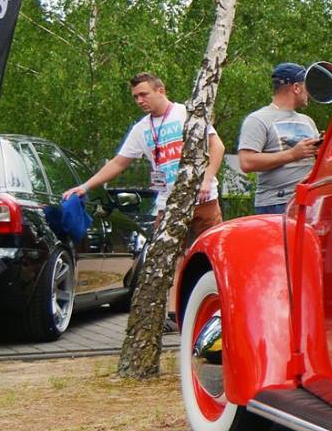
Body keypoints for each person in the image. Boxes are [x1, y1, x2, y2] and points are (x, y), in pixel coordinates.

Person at [66, 73, 225, 320]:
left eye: (144, 94)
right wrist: (85, 186)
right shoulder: (141, 129)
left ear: (161, 90)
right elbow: (119, 162)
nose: (140, 100)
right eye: (135, 97)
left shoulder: (186, 113)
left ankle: (219, 308)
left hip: (203, 200)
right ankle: (173, 314)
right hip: (168, 203)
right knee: (167, 258)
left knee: (213, 253)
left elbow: (218, 146)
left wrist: (206, 179)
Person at [237, 63, 323, 214]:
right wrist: (292, 154)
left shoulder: (307, 121)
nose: (309, 92)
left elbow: (316, 160)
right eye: (306, 86)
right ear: (296, 88)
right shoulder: (258, 119)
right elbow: (246, 162)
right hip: (276, 204)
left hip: (307, 199)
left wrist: (322, 148)